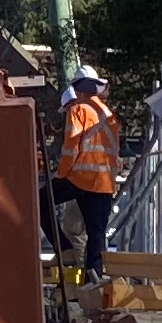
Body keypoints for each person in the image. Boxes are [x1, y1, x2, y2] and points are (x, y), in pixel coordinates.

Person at [55, 65, 120, 275]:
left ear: (79, 90)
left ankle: (64, 249)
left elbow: (71, 147)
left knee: (40, 202)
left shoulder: (78, 110)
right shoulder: (108, 114)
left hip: (80, 178)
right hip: (103, 184)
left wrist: (60, 176)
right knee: (97, 234)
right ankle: (94, 283)